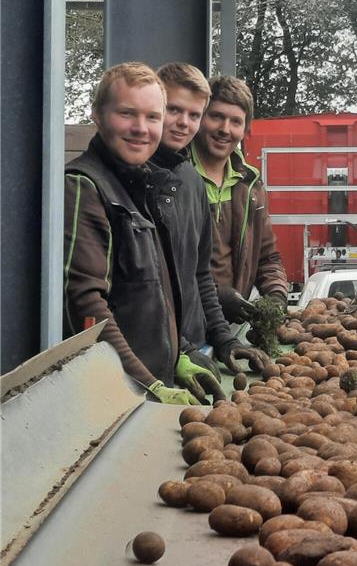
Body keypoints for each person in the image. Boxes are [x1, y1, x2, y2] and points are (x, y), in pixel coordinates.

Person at [63, 62, 195, 405]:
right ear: (97, 115)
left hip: (145, 392)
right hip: (113, 399)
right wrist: (150, 384)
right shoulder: (84, 186)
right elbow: (86, 307)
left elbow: (155, 292)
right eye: (127, 114)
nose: (141, 128)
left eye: (152, 117)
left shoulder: (146, 188)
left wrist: (178, 354)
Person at [149, 63, 270, 403]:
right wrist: (176, 352)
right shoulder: (137, 180)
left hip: (198, 340)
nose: (182, 122)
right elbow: (145, 288)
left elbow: (197, 274)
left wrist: (226, 339)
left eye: (192, 114)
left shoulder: (195, 182)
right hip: (157, 353)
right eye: (173, 110)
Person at [190, 75, 288, 324]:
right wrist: (214, 295)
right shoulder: (175, 176)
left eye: (236, 121)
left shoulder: (250, 185)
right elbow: (159, 266)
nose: (225, 129)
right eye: (216, 116)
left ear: (246, 130)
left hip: (229, 326)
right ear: (199, 117)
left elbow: (268, 257)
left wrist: (276, 296)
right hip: (184, 326)